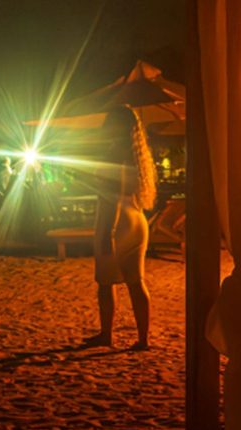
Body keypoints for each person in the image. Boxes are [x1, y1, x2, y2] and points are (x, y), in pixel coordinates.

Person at [85, 106, 157, 350]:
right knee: (136, 281)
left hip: (116, 220)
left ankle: (107, 335)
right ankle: (143, 339)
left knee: (106, 283)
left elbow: (112, 196)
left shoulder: (115, 153)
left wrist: (108, 231)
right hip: (136, 218)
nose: (105, 126)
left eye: (109, 122)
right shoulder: (137, 154)